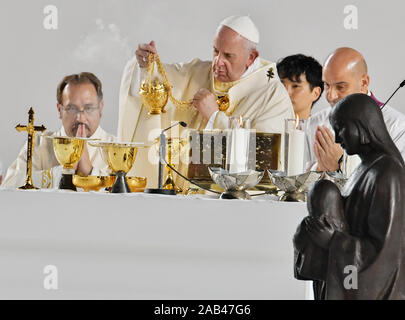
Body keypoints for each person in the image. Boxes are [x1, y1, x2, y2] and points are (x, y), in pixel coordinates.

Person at [118, 15, 294, 187]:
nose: (218, 62)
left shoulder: (271, 95)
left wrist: (214, 118)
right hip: (181, 197)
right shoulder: (198, 73)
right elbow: (164, 78)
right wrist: (147, 66)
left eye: (228, 56)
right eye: (215, 51)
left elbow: (263, 162)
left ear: (251, 57)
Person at [300, 93, 405, 299]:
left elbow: (386, 250)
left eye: (341, 129)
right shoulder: (367, 167)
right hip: (351, 276)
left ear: (362, 127)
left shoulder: (387, 173)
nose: (337, 138)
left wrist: (333, 241)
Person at [2, 72, 115, 189]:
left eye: (89, 108)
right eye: (71, 108)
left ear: (100, 108)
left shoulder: (117, 146)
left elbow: (128, 197)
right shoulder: (39, 143)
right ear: (59, 110)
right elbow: (9, 185)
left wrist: (90, 173)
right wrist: (60, 174)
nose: (80, 118)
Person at [304, 47, 405, 176]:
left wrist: (340, 165)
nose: (331, 95)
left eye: (340, 87)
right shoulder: (315, 122)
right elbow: (300, 179)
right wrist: (318, 168)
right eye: (327, 85)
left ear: (364, 83)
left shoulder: (398, 126)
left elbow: (395, 183)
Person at [294, 179, 347, 300]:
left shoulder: (342, 229)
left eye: (325, 215)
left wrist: (332, 240)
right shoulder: (311, 226)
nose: (319, 219)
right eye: (314, 213)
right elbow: (303, 266)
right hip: (323, 277)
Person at [277, 54, 323, 120]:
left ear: (316, 93)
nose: (286, 92)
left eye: (295, 86)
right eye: (282, 85)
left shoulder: (324, 129)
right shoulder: (261, 126)